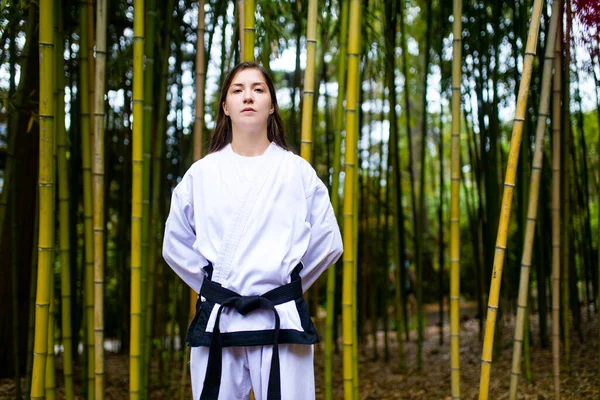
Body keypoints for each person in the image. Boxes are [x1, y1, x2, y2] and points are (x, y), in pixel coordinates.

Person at [162, 61, 343, 400]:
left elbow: (329, 241)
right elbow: (174, 244)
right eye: (238, 90)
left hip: (281, 318)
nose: (248, 97)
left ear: (271, 105)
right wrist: (210, 286)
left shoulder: (296, 171)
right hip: (220, 318)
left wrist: (289, 286)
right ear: (225, 106)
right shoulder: (200, 175)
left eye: (258, 89)